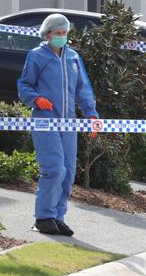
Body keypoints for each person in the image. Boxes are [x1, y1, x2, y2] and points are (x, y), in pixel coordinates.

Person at [17, 13, 98, 236]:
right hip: (45, 121)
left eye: (65, 33)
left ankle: (58, 218)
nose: (62, 37)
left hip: (69, 123)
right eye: (58, 33)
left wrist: (91, 115)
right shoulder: (37, 56)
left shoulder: (72, 57)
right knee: (54, 169)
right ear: (48, 34)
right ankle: (43, 217)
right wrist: (36, 99)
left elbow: (83, 88)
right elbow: (24, 85)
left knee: (69, 171)